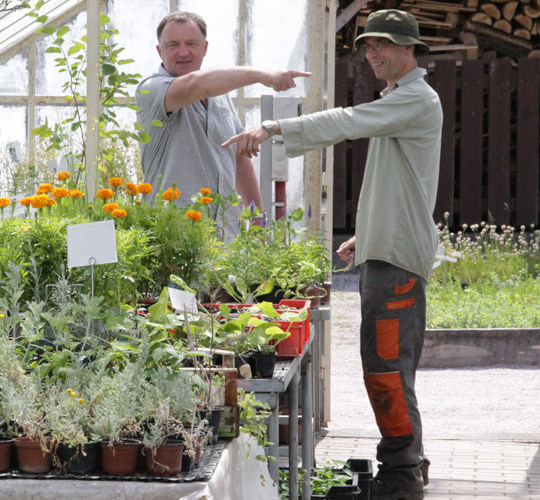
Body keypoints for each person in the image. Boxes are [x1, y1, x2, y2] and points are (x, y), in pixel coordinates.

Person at [225, 9, 441, 500]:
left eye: (384, 45)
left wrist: (276, 127)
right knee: (387, 365)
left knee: (386, 367)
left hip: (398, 264)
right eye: (368, 46)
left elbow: (348, 121)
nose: (373, 54)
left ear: (411, 49)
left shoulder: (416, 100)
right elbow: (398, 186)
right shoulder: (401, 100)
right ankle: (408, 465)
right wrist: (365, 236)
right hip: (385, 253)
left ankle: (402, 475)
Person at [135, 11, 309, 240]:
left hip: (223, 233)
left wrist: (257, 219)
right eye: (173, 45)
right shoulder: (151, 89)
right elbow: (194, 85)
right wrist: (263, 75)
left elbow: (238, 155)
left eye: (191, 43)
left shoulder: (220, 96)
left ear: (205, 48)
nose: (183, 52)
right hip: (173, 236)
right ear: (160, 51)